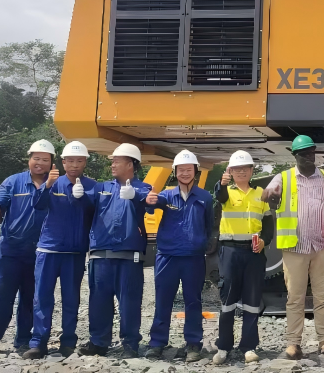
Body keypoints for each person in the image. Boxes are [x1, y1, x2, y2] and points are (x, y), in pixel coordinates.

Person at [262, 135, 324, 360]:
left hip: (323, 246)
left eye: (312, 152)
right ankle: (293, 343)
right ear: (295, 156)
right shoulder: (283, 178)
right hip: (294, 247)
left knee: (323, 296)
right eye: (304, 154)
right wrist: (270, 194)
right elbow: (266, 193)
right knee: (295, 297)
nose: (309, 156)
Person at [0, 139, 54, 355]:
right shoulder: (13, 182)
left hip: (41, 252)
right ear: (29, 159)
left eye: (45, 160)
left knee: (32, 299)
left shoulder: (56, 184)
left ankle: (24, 341)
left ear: (52, 163)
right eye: (36, 158)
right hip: (11, 250)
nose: (40, 163)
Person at [77, 143, 151, 358]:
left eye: (117, 161)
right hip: (101, 254)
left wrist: (134, 195)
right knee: (98, 301)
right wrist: (78, 196)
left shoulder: (144, 188)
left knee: (130, 302)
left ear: (130, 164)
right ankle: (98, 342)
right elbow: (85, 207)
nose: (112, 165)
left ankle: (130, 344)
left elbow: (148, 202)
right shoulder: (101, 188)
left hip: (129, 255)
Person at [24, 141, 96, 359]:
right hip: (48, 249)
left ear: (85, 163)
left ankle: (68, 342)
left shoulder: (93, 186)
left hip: (74, 253)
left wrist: (84, 198)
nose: (74, 165)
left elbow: (96, 215)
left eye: (79, 161)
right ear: (63, 162)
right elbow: (37, 205)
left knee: (71, 299)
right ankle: (38, 343)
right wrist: (47, 186)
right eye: (70, 161)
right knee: (42, 298)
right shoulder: (52, 182)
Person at [144, 150, 214, 363]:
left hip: (193, 257)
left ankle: (193, 343)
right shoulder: (166, 196)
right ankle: (157, 343)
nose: (184, 173)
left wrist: (203, 245)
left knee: (193, 301)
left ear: (195, 171)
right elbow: (150, 207)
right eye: (181, 170)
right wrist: (149, 200)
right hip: (168, 256)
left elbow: (210, 226)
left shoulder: (205, 197)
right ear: (175, 172)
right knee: (163, 300)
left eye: (188, 169)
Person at [212, 150, 273, 366]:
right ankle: (223, 347)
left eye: (245, 168)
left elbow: (268, 224)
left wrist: (264, 241)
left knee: (252, 301)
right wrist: (221, 183)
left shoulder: (261, 194)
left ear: (251, 170)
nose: (241, 172)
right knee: (227, 300)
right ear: (230, 171)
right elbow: (219, 196)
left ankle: (249, 347)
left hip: (254, 253)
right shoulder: (226, 191)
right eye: (236, 169)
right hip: (230, 251)